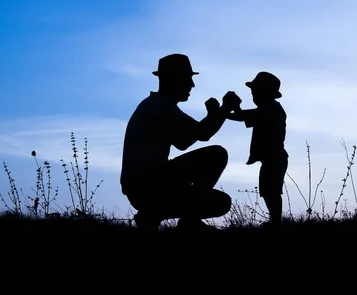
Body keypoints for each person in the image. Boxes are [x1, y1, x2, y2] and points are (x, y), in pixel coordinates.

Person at [120, 53, 242, 231]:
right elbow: (202, 134)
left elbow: (184, 141)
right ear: (173, 79)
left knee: (220, 202)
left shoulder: (156, 105)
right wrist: (223, 110)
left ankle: (154, 215)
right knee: (217, 157)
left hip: (143, 185)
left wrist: (215, 114)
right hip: (148, 185)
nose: (192, 85)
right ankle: (183, 219)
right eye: (187, 79)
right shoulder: (161, 106)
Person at [227, 71, 289, 226]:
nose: (253, 96)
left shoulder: (271, 109)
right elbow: (244, 116)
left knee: (271, 191)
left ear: (266, 92)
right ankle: (275, 221)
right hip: (271, 158)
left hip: (275, 157)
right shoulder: (269, 108)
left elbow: (242, 116)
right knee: (269, 191)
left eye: (255, 92)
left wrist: (229, 109)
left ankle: (276, 221)